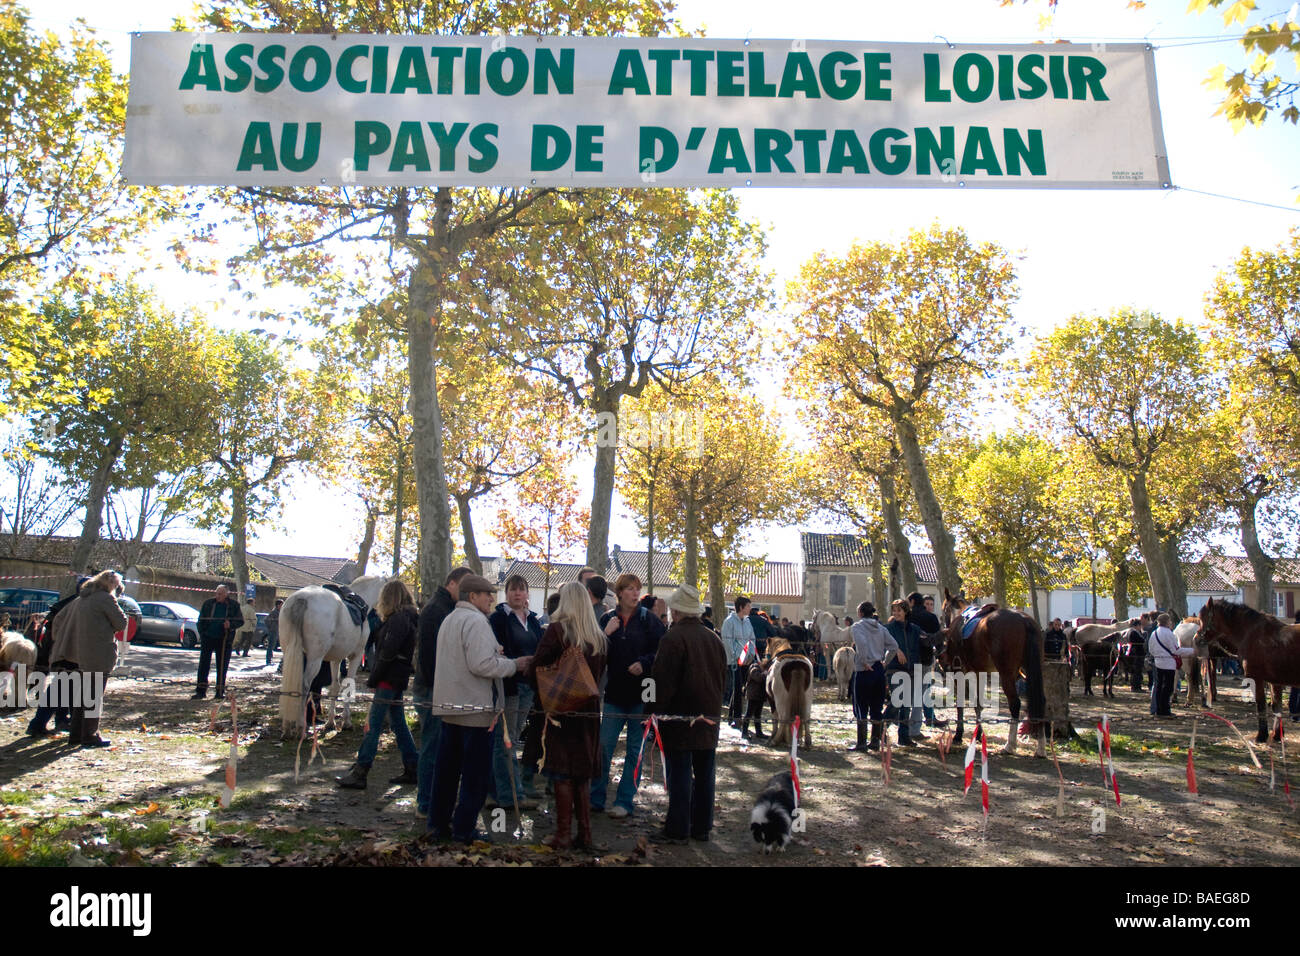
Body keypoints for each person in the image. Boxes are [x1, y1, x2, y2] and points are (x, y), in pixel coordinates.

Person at [428, 575, 531, 843]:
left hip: (450, 706)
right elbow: (481, 665)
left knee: (446, 773)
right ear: (472, 596)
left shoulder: (450, 619)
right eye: (487, 594)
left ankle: (438, 825)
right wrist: (513, 665)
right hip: (474, 709)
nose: (490, 599)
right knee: (475, 776)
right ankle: (464, 829)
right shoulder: (476, 621)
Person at [525, 581, 607, 851]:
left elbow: (536, 668)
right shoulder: (598, 637)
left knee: (561, 772)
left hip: (560, 710)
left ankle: (562, 834)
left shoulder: (557, 632)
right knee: (582, 774)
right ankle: (585, 834)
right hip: (589, 712)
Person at [650, 583, 727, 844]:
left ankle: (678, 827)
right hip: (709, 716)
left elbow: (659, 681)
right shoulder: (713, 638)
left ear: (677, 611)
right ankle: (702, 827)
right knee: (705, 774)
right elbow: (722, 679)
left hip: (679, 718)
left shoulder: (672, 638)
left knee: (680, 773)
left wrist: (651, 711)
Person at [592, 572, 664, 819]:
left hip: (642, 694)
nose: (635, 593)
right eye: (630, 589)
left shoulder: (649, 621)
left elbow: (661, 652)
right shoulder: (606, 619)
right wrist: (606, 634)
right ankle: (595, 797)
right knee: (604, 746)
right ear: (620, 593)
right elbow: (594, 654)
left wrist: (644, 663)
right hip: (613, 694)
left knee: (635, 750)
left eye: (637, 589)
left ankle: (624, 801)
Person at [336, 580, 421, 789]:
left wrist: (374, 679)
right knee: (399, 724)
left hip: (389, 678)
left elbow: (387, 653)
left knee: (373, 725)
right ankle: (413, 767)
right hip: (395, 677)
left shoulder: (398, 620)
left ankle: (361, 771)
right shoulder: (406, 618)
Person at [412, 566, 472, 818]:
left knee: (439, 749)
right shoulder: (437, 610)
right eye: (465, 589)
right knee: (432, 748)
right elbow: (428, 656)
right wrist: (440, 688)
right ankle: (425, 803)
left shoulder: (443, 608)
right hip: (433, 690)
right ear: (452, 583)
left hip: (437, 688)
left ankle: (433, 802)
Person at [488, 574, 544, 809]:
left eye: (521, 589)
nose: (517, 593)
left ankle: (497, 792)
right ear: (506, 592)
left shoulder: (533, 620)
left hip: (528, 685)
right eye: (512, 589)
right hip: (508, 685)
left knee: (512, 737)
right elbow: (496, 650)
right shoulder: (499, 618)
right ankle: (513, 795)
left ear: (527, 593)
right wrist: (515, 662)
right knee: (506, 740)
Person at [65, 570, 128, 749]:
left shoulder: (84, 598)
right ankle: (90, 735)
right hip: (100, 652)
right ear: (109, 584)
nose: (117, 589)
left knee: (81, 697)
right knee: (94, 696)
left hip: (83, 651)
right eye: (116, 585)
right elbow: (121, 623)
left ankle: (76, 734)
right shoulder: (106, 599)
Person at [25, 579, 87, 738]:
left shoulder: (68, 603)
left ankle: (61, 720)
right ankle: (39, 724)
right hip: (67, 653)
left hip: (62, 652)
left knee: (64, 690)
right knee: (62, 689)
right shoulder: (78, 604)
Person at [849, 602, 903, 752]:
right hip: (879, 669)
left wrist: (865, 661)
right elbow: (893, 645)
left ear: (860, 613)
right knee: (876, 706)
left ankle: (861, 743)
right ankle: (875, 741)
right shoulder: (881, 628)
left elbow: (861, 644)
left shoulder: (857, 627)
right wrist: (885, 661)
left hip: (863, 669)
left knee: (861, 706)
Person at [192, 584, 244, 700]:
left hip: (224, 640)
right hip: (208, 638)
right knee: (204, 665)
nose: (218, 596)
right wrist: (203, 634)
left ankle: (219, 691)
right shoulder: (208, 603)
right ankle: (201, 691)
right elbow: (200, 621)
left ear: (226, 594)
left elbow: (240, 621)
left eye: (220, 594)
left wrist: (230, 625)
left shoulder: (234, 606)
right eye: (217, 593)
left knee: (222, 666)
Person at [884, 599, 923, 746]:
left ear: (906, 612)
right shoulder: (888, 628)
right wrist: (896, 650)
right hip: (894, 669)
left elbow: (926, 640)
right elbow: (885, 643)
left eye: (899, 610)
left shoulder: (914, 629)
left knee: (907, 704)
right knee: (896, 700)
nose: (896, 613)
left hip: (911, 670)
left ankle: (904, 736)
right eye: (894, 610)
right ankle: (882, 726)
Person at [908, 591, 947, 729]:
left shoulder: (908, 617)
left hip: (910, 659)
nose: (930, 606)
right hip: (925, 658)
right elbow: (938, 640)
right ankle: (921, 723)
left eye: (932, 604)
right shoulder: (931, 618)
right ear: (922, 604)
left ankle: (926, 718)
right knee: (923, 691)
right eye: (928, 604)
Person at [1149, 612, 1194, 718]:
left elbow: (1151, 649)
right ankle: (1165, 710)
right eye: (1170, 621)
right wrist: (1192, 651)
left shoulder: (1154, 633)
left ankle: (1159, 710)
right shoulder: (1169, 634)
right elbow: (1176, 650)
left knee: (1159, 687)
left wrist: (1158, 655)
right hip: (1168, 664)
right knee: (1167, 688)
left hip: (1158, 662)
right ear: (1167, 622)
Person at [720, 596, 755, 727]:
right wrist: (736, 656)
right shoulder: (729, 622)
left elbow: (752, 638)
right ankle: (737, 717)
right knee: (737, 686)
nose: (750, 608)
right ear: (741, 607)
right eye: (748, 606)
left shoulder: (747, 622)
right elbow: (727, 641)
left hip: (746, 660)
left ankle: (731, 716)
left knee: (739, 688)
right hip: (734, 662)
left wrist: (750, 654)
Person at [740, 660, 768, 739]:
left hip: (760, 696)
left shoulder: (761, 668)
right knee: (748, 714)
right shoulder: (754, 667)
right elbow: (758, 678)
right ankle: (744, 732)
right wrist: (764, 674)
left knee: (757, 715)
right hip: (753, 696)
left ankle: (759, 732)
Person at [264, 598, 283, 666]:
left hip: (276, 631)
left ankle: (270, 659)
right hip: (273, 631)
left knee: (273, 646)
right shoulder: (274, 612)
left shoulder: (279, 612)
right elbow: (266, 620)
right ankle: (268, 660)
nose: (282, 606)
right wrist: (271, 627)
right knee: (270, 646)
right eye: (281, 604)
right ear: (278, 605)